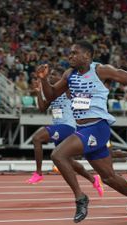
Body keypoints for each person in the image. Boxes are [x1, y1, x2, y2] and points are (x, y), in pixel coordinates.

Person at [36, 40, 127, 223]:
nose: (70, 56)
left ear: (87, 56)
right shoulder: (69, 75)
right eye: (69, 53)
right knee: (109, 177)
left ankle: (80, 197)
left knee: (58, 155)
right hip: (83, 128)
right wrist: (43, 79)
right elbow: (51, 96)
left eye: (74, 53)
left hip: (97, 127)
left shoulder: (100, 70)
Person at [27, 66, 104, 198]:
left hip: (67, 126)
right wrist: (39, 91)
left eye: (54, 75)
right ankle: (94, 179)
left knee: (37, 138)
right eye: (50, 75)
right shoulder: (52, 93)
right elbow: (42, 108)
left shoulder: (68, 89)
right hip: (59, 126)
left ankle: (38, 173)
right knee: (69, 161)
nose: (51, 77)